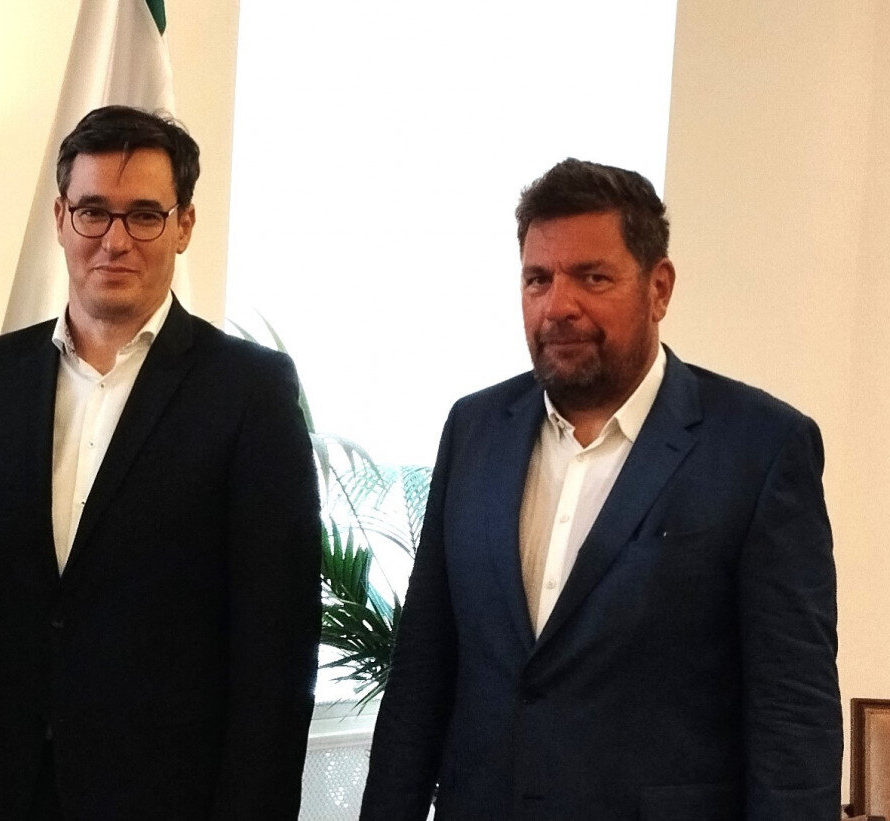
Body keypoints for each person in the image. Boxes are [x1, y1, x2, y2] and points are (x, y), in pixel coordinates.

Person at [360, 158, 841, 820]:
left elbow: (793, 710)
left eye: (592, 277)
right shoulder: (474, 430)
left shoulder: (759, 448)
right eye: (538, 279)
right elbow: (423, 670)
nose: (559, 306)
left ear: (659, 288)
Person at [0, 105, 322, 819]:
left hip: (165, 799)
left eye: (145, 215)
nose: (115, 240)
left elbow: (274, 651)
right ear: (61, 218)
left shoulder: (249, 392)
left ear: (184, 225)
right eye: (93, 211)